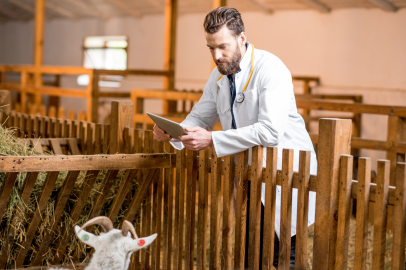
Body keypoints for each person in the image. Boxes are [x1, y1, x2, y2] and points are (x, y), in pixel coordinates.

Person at [153, 7, 317, 268]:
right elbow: (200, 116)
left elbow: (270, 131)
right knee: (253, 250)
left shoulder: (271, 69)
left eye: (222, 46)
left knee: (286, 255)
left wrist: (212, 140)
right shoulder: (218, 75)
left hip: (285, 172)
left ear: (242, 38)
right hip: (251, 173)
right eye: (210, 48)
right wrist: (174, 131)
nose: (217, 56)